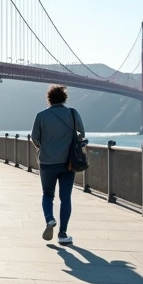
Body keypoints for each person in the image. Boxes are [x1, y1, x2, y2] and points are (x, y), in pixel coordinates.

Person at [31, 85, 87, 245]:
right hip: (68, 163)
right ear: (64, 98)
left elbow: (34, 138)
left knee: (47, 194)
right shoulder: (72, 113)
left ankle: (49, 219)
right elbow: (81, 134)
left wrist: (44, 147)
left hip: (47, 162)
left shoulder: (41, 116)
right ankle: (63, 234)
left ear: (49, 99)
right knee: (65, 197)